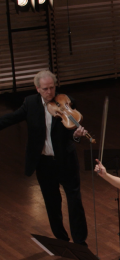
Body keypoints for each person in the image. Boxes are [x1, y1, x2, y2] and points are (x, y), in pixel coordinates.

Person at [0, 70, 89, 245]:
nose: (50, 92)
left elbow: (71, 134)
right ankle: (62, 240)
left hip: (66, 160)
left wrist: (77, 135)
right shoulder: (30, 103)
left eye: (52, 88)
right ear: (37, 89)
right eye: (45, 89)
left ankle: (80, 243)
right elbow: (11, 118)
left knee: (74, 201)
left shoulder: (66, 101)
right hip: (44, 163)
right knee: (52, 202)